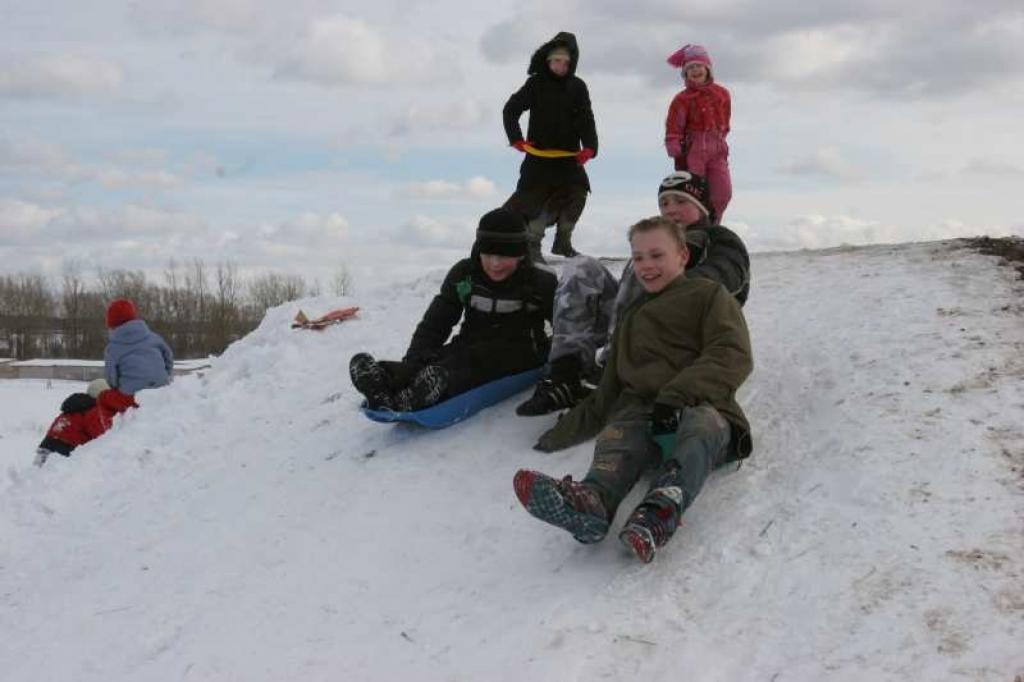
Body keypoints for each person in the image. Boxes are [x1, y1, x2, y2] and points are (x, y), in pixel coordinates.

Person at [513, 215, 753, 564]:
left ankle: (659, 511)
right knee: (619, 433)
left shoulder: (708, 296)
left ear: (683, 256)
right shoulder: (633, 316)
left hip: (700, 408)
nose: (646, 265)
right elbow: (607, 392)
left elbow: (731, 353)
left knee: (702, 424)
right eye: (638, 257)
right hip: (644, 416)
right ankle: (592, 504)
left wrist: (676, 395)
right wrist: (558, 435)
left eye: (656, 255)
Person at [515, 170, 749, 416]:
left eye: (681, 201)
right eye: (664, 203)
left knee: (645, 271)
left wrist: (670, 280)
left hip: (688, 333)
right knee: (581, 267)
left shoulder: (719, 237)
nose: (671, 209)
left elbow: (728, 275)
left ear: (702, 206)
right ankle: (566, 372)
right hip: (642, 330)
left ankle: (612, 375)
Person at [349, 207, 557, 412]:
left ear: (521, 254)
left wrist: (561, 370)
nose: (495, 264)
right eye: (488, 254)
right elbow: (435, 324)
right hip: (469, 344)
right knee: (443, 358)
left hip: (522, 351)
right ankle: (386, 381)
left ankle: (423, 393)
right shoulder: (465, 274)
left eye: (504, 256)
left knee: (466, 367)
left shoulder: (540, 282)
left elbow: (564, 330)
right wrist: (414, 361)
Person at [35, 298, 174, 465]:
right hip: (161, 388)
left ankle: (114, 433)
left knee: (104, 399)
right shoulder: (154, 337)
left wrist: (116, 389)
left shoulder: (113, 348)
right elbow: (168, 357)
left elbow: (112, 378)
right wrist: (165, 377)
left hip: (51, 445)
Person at [502, 31, 598, 262]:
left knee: (578, 192)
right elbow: (511, 110)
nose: (561, 66)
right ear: (547, 60)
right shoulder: (535, 83)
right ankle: (532, 245)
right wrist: (516, 139)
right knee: (536, 201)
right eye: (556, 60)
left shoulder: (578, 86)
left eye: (566, 62)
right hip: (538, 159)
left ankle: (563, 242)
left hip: (568, 158)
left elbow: (586, 118)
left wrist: (590, 147)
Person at [664, 44, 732, 221]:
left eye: (699, 66)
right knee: (695, 190)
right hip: (693, 150)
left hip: (717, 148)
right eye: (690, 68)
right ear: (685, 73)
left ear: (707, 68)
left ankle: (714, 221)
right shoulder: (682, 99)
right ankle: (697, 223)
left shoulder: (722, 94)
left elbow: (726, 119)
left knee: (722, 191)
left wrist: (720, 138)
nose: (695, 70)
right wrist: (675, 145)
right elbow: (674, 125)